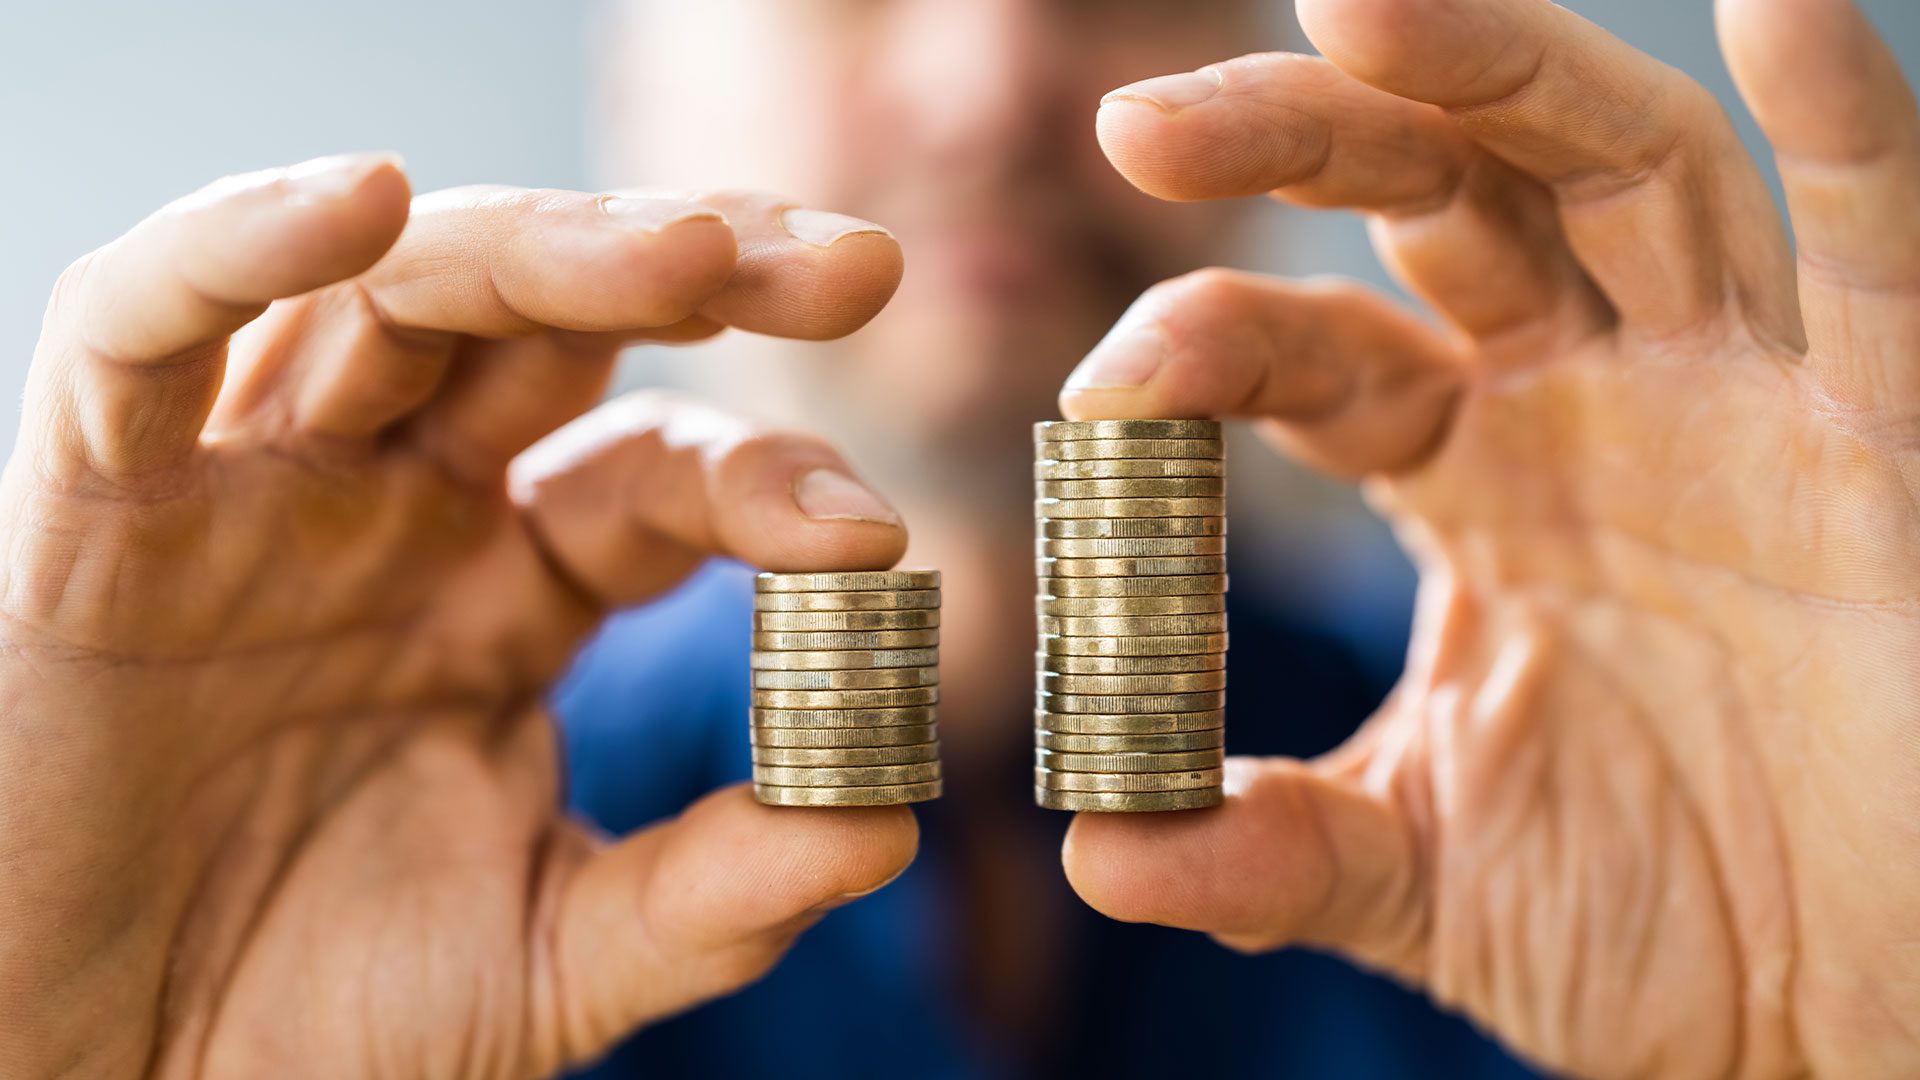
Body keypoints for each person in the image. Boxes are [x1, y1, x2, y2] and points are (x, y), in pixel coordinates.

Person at [0, 2, 1916, 1080]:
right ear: (633, 57)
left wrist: (1867, 1032)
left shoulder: (1676, 823)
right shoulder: (266, 862)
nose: (996, 65)